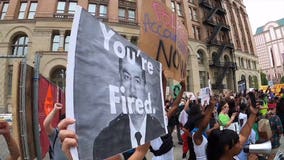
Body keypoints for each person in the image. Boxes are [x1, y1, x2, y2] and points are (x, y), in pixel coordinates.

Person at [92, 52, 165, 159]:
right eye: (126, 77)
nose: (132, 88)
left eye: (137, 80)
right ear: (120, 84)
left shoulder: (157, 125)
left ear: (145, 87)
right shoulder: (105, 137)